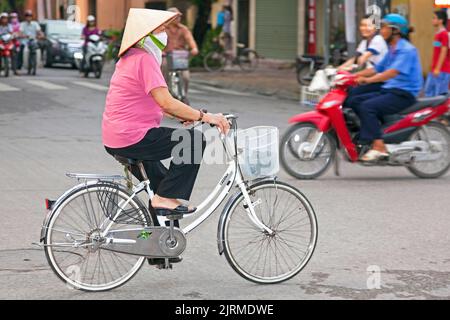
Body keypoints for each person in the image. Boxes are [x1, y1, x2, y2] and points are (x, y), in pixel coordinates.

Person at [102, 9, 229, 218]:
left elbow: (152, 102)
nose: (165, 34)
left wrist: (185, 114)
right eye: (160, 29)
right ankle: (163, 202)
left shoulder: (131, 57)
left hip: (117, 136)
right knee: (193, 141)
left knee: (163, 191)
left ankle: (163, 247)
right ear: (146, 35)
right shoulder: (144, 60)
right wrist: (206, 117)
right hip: (132, 137)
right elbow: (166, 102)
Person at [346, 14, 423, 162]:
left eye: (384, 27)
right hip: (390, 90)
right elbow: (377, 68)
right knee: (355, 101)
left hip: (403, 93)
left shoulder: (406, 50)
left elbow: (390, 73)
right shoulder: (392, 49)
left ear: (395, 31)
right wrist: (351, 75)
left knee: (368, 107)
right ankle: (372, 132)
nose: (381, 31)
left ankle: (379, 146)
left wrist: (367, 80)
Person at [163, 7, 199, 95]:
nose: (179, 18)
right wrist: (160, 51)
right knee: (163, 67)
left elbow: (190, 40)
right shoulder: (162, 28)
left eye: (179, 17)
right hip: (166, 55)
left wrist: (194, 48)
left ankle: (184, 95)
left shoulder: (183, 29)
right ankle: (165, 92)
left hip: (180, 56)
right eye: (176, 17)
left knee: (186, 76)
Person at [424, 10, 450, 97]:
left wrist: (438, 68)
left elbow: (443, 51)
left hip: (442, 70)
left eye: (434, 18)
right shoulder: (437, 34)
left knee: (439, 96)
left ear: (441, 20)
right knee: (428, 93)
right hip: (434, 69)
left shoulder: (444, 34)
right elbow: (437, 51)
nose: (432, 20)